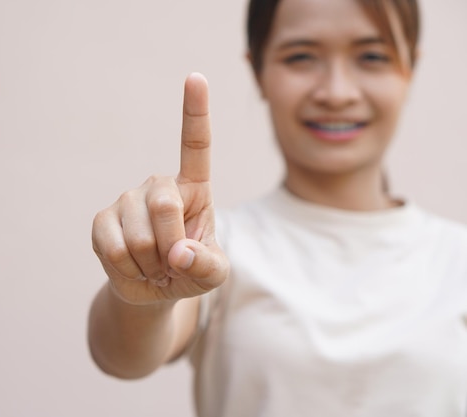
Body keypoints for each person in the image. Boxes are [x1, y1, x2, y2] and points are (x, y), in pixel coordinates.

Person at [88, 0, 467, 416]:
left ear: (410, 68)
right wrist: (143, 290)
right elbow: (122, 356)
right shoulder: (207, 248)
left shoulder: (456, 259)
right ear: (258, 71)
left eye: (372, 56)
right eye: (301, 56)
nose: (337, 93)